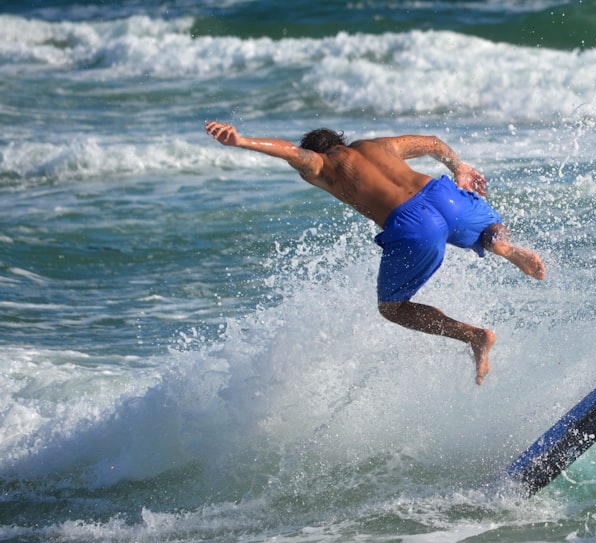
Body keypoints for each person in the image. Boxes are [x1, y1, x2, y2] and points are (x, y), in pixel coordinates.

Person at [205, 121, 545, 385]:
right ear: (340, 139)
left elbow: (291, 153)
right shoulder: (377, 146)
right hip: (443, 194)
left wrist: (241, 141)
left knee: (392, 308)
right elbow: (432, 143)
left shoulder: (324, 165)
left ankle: (473, 335)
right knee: (492, 226)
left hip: (412, 224)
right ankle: (502, 246)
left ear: (320, 153)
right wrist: (458, 167)